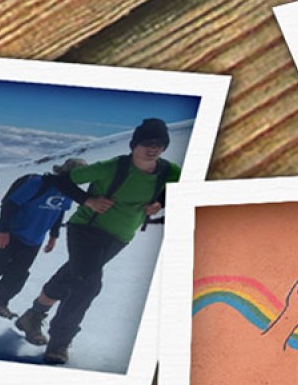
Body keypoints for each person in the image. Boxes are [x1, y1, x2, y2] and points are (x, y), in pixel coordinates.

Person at [15, 118, 180, 365]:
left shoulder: (170, 172)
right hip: (86, 230)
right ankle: (58, 343)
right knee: (88, 285)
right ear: (134, 145)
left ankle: (33, 315)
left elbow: (184, 188)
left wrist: (160, 203)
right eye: (147, 142)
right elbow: (62, 180)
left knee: (73, 274)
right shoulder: (113, 167)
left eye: (159, 143)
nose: (153, 148)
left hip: (120, 237)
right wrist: (87, 201)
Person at [0, 159, 87, 318]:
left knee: (18, 273)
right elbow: (9, 205)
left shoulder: (69, 192)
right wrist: (4, 231)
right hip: (10, 233)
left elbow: (59, 212)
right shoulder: (38, 183)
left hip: (34, 239)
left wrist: (54, 235)